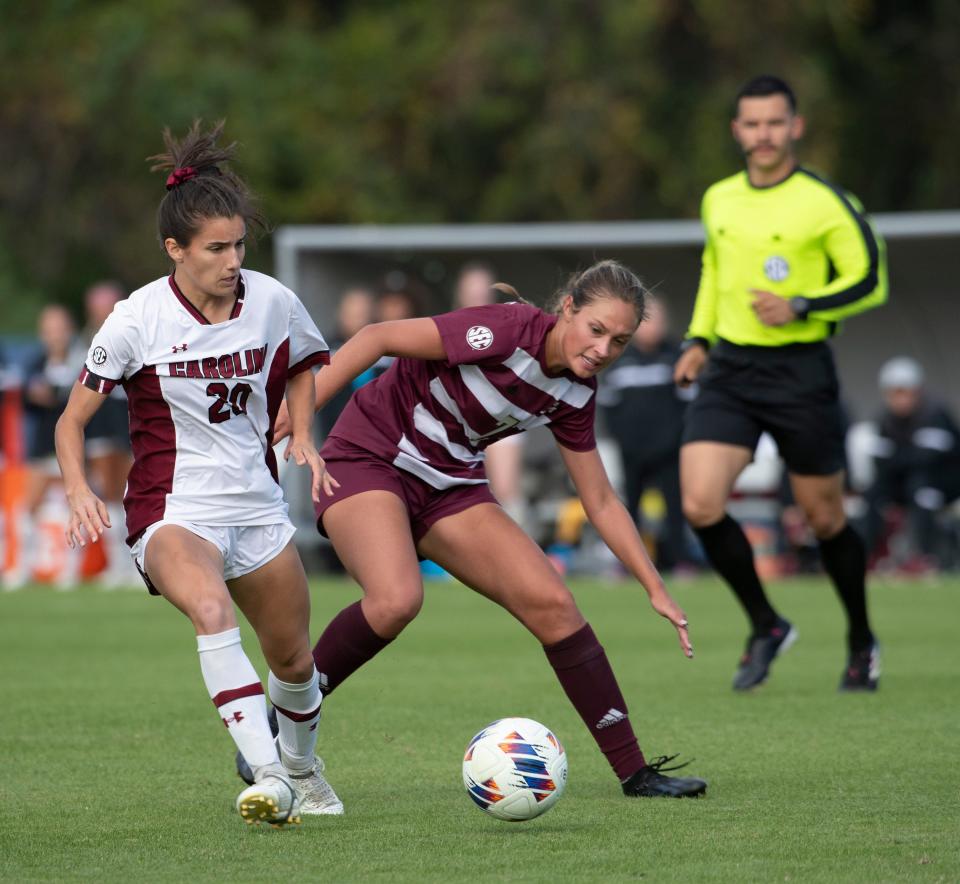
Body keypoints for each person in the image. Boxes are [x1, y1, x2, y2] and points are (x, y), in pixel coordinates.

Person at [247, 259, 708, 799]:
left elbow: (601, 501)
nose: (604, 349)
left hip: (450, 483)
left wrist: (655, 588)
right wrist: (302, 411)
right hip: (367, 457)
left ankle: (635, 773)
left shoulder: (578, 392)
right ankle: (277, 725)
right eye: (597, 329)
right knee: (397, 600)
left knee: (555, 607)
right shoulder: (506, 330)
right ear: (568, 310)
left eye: (620, 341)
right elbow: (375, 337)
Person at [54, 120, 339, 825]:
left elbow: (305, 362)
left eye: (239, 244)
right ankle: (269, 773)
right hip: (172, 510)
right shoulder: (135, 321)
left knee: (295, 662)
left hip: (257, 507)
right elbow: (70, 421)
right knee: (211, 612)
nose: (232, 259)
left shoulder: (273, 300)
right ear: (174, 249)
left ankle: (305, 771)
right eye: (215, 248)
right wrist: (77, 488)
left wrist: (301, 428)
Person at [673, 75, 888, 692]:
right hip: (732, 371)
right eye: (751, 123)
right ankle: (767, 624)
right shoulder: (719, 198)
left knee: (824, 519)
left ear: (794, 126)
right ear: (737, 130)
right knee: (699, 503)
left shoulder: (825, 200)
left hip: (801, 371)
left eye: (775, 122)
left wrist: (802, 304)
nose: (763, 134)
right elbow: (715, 270)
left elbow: (870, 278)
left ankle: (860, 638)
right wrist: (698, 339)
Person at [598, 295, 695, 573]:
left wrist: (677, 438)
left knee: (675, 507)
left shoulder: (677, 355)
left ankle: (679, 561)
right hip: (632, 450)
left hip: (670, 450)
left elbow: (689, 403)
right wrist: (621, 440)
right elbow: (608, 405)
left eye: (658, 321)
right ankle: (630, 565)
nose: (652, 328)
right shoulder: (619, 360)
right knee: (629, 509)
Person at [5, 305, 86, 589]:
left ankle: (73, 571)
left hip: (74, 448)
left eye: (60, 328)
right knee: (28, 508)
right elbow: (26, 399)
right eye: (50, 330)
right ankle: (21, 568)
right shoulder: (35, 363)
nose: (55, 336)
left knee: (76, 507)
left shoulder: (83, 361)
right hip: (43, 446)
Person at [862, 357, 960, 569]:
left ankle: (926, 558)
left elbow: (928, 461)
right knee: (872, 494)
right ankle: (867, 558)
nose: (901, 399)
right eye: (895, 393)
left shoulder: (935, 414)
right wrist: (905, 457)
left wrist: (898, 457)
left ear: (917, 391)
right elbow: (881, 463)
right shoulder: (884, 421)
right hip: (904, 483)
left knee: (922, 490)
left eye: (905, 392)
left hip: (942, 483)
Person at [81, 281, 138, 587]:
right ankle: (119, 566)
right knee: (112, 498)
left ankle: (139, 567)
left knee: (133, 495)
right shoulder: (86, 341)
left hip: (130, 427)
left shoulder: (132, 334)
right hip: (102, 429)